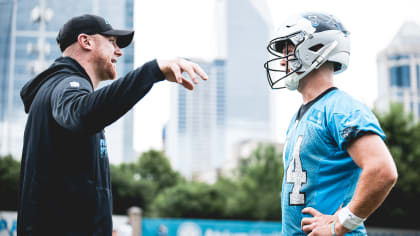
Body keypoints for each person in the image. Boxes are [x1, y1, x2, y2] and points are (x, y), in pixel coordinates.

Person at [17, 14, 208, 236]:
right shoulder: (68, 83)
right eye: (112, 42)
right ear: (86, 41)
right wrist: (152, 71)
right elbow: (81, 113)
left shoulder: (59, 86)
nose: (119, 51)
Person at [264, 12, 398, 235]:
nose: (282, 60)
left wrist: (341, 223)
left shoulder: (340, 107)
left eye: (289, 51)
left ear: (315, 48)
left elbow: (382, 170)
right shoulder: (301, 115)